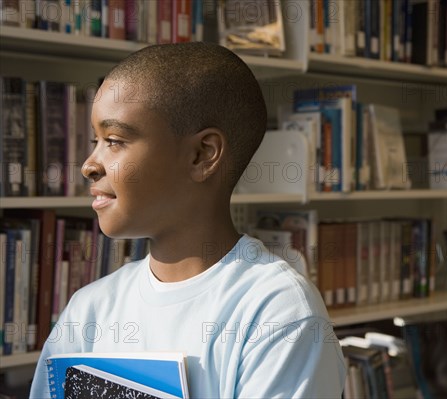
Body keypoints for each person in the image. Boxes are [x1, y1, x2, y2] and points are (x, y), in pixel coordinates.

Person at [29, 42, 346, 398]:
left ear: (201, 155)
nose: (88, 164)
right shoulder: (89, 308)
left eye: (114, 140)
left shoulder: (277, 313)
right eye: (95, 140)